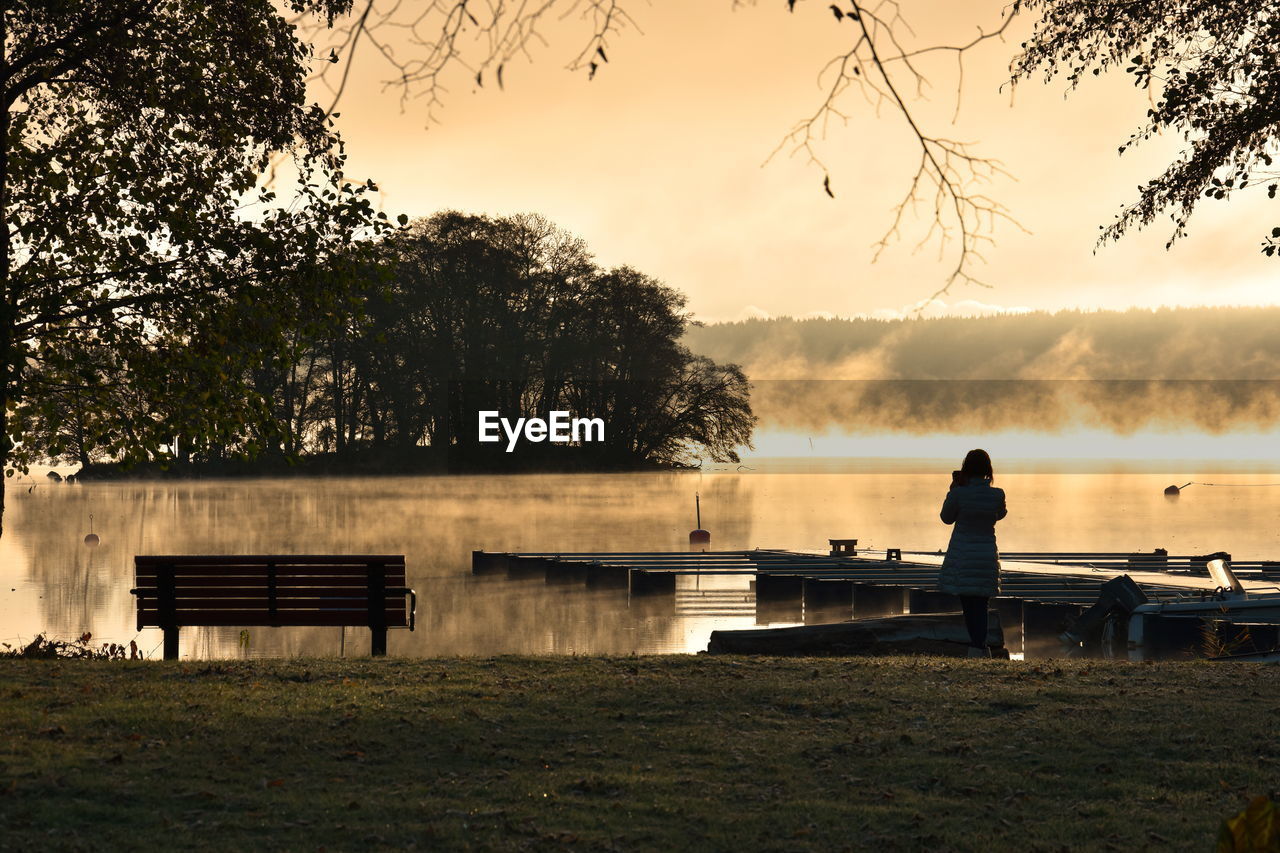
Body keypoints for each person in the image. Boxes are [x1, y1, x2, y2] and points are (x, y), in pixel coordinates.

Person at [937, 449, 1007, 658]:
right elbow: (1000, 514)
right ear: (988, 469)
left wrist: (953, 489)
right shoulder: (997, 494)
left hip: (964, 555)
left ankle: (976, 648)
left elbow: (946, 518)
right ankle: (980, 646)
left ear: (966, 469)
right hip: (986, 554)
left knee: (969, 604)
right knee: (982, 603)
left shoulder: (959, 493)